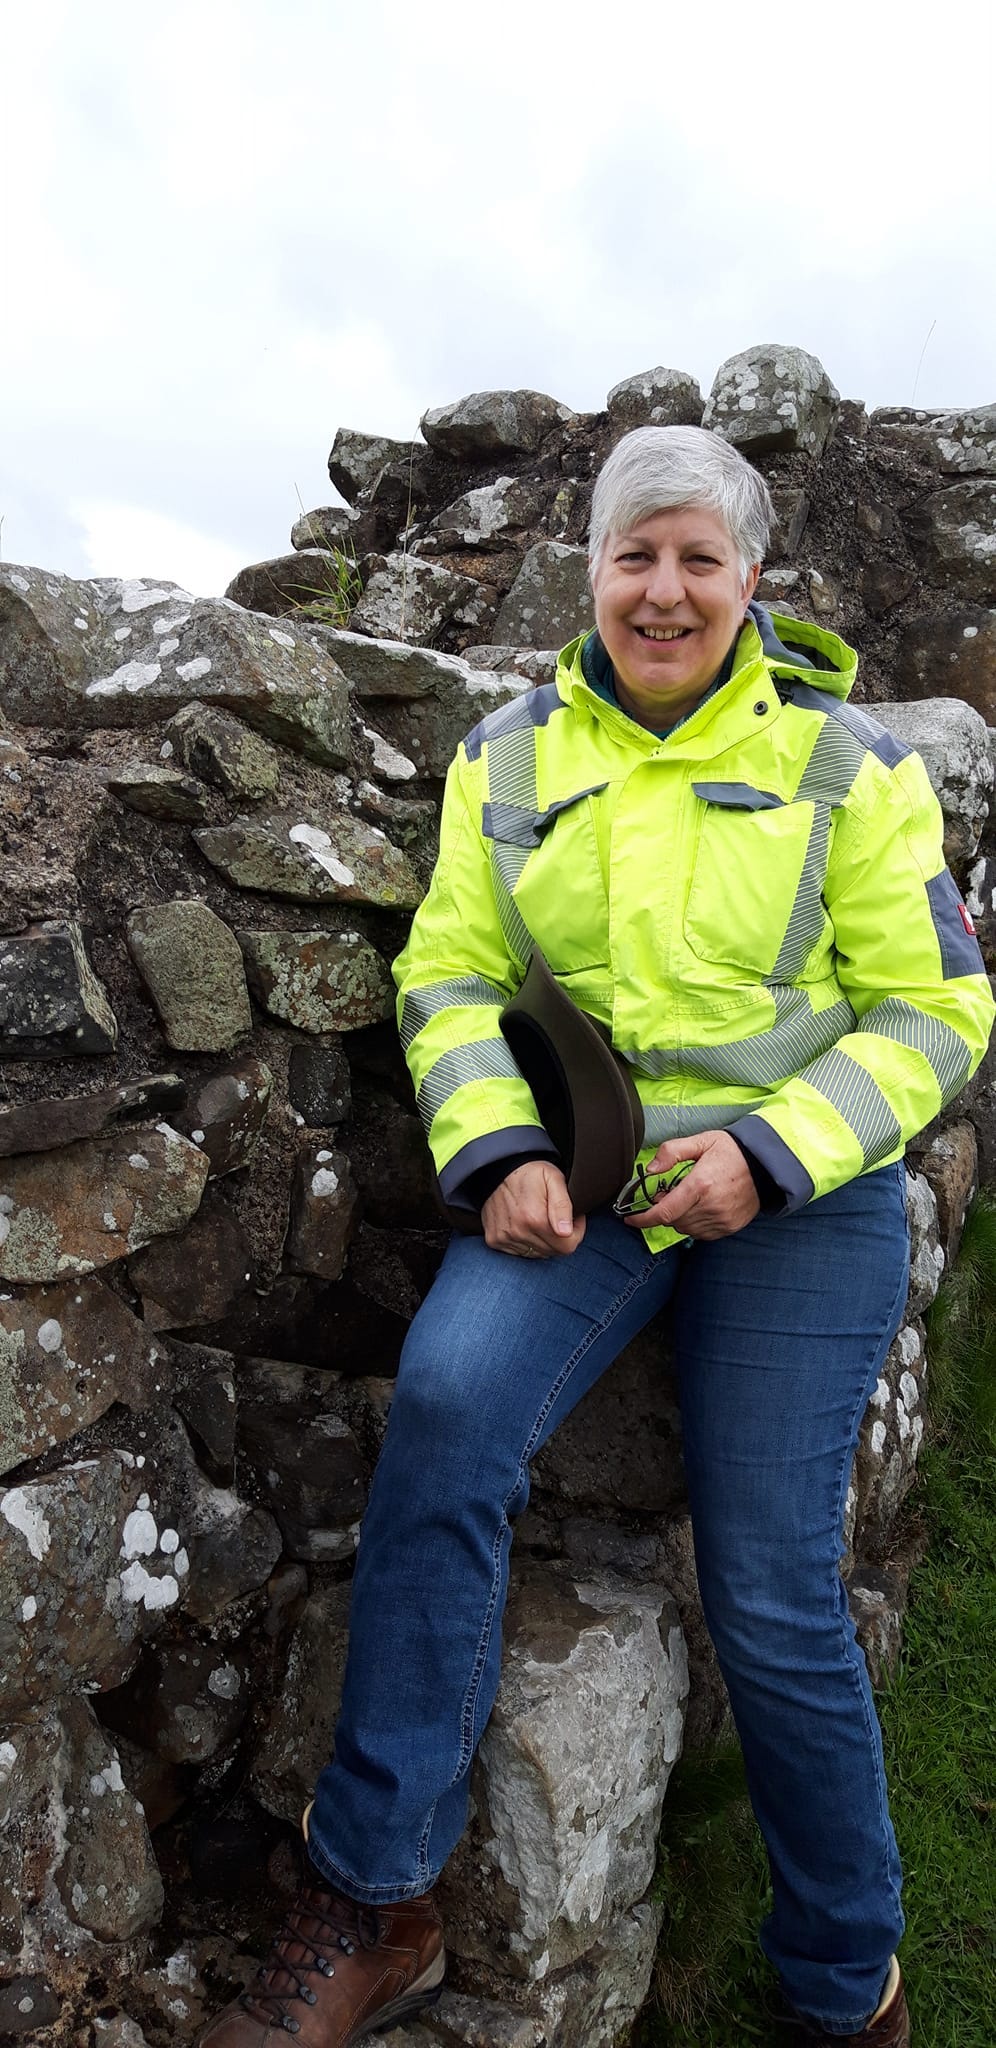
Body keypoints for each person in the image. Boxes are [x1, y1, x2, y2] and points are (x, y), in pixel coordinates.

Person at [199, 427, 993, 2048]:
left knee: (774, 1587)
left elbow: (936, 1011)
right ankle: (377, 1899)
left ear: (753, 581)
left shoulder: (854, 767)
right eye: (637, 555)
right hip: (595, 1186)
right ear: (591, 573)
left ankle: (847, 1987)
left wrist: (770, 1155)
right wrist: (494, 1147)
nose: (666, 588)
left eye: (701, 557)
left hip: (799, 1198)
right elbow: (445, 972)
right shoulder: (509, 755)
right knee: (444, 1413)